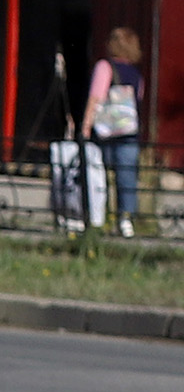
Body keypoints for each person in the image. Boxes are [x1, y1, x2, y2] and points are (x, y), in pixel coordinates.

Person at [80, 26, 145, 238]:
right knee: (126, 178)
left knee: (99, 176)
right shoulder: (136, 75)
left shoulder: (104, 67)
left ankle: (98, 216)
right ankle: (125, 220)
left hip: (106, 132)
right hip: (128, 133)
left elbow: (96, 97)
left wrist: (86, 125)